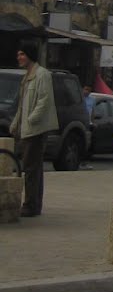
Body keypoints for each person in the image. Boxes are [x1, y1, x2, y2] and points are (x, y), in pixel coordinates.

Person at [12, 42, 55, 219]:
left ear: (29, 55)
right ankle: (34, 203)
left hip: (36, 130)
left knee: (31, 168)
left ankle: (31, 205)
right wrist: (16, 123)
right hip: (26, 129)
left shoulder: (42, 75)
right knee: (32, 167)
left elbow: (44, 101)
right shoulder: (27, 76)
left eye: (22, 54)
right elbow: (23, 105)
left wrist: (31, 120)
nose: (19, 58)